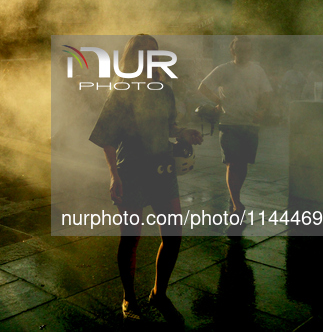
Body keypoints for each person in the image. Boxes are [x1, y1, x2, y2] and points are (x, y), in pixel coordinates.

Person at [89, 35, 203, 323]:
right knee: (131, 238)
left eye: (153, 52)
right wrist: (114, 176)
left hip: (162, 167)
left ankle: (158, 293)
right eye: (141, 52)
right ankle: (129, 297)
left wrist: (183, 133)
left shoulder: (164, 88)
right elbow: (106, 139)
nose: (148, 57)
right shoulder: (121, 90)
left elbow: (169, 126)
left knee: (174, 234)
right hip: (132, 169)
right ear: (131, 57)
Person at [198, 36, 272, 229]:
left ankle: (234, 199)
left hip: (250, 123)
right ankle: (237, 205)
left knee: (243, 163)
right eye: (239, 50)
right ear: (233, 51)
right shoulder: (224, 69)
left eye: (247, 50)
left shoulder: (257, 70)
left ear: (251, 51)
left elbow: (266, 93)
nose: (244, 53)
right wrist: (218, 100)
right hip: (229, 122)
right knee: (232, 162)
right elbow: (203, 86)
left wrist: (262, 110)